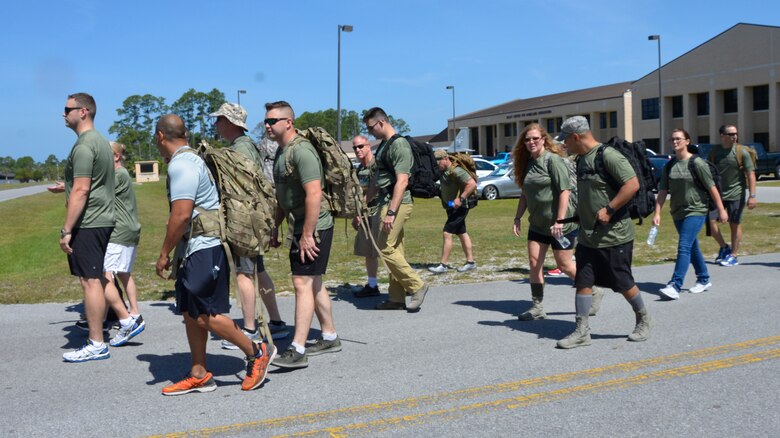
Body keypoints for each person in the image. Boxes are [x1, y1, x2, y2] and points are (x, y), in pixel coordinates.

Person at [154, 114, 273, 395]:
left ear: (160, 136)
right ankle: (199, 373)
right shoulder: (192, 158)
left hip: (204, 246)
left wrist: (163, 253)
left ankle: (256, 351)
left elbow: (181, 215)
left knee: (204, 314)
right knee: (189, 311)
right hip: (197, 247)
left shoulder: (181, 165)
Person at [554, 116, 652, 349]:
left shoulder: (608, 156)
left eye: (566, 139)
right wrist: (580, 213)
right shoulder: (580, 160)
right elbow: (589, 192)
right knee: (583, 280)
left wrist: (609, 209)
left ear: (576, 136)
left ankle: (644, 319)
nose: (564, 144)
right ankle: (581, 331)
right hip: (589, 234)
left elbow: (632, 185)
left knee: (623, 282)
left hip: (614, 234)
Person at [265, 101, 340, 369]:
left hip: (314, 225)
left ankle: (297, 348)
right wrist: (275, 225)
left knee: (302, 282)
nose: (267, 125)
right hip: (299, 224)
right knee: (313, 281)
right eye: (266, 121)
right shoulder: (281, 152)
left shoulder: (303, 152)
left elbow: (314, 194)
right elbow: (282, 196)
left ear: (288, 122)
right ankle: (329, 336)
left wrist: (308, 234)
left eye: (272, 121)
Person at [209, 103, 289, 348]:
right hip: (254, 219)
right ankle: (276, 323)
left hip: (245, 221)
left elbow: (241, 188)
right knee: (258, 272)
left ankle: (250, 330)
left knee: (245, 273)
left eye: (219, 119)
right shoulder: (244, 146)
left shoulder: (241, 148)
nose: (216, 124)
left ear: (231, 122)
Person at [511, 123, 597, 321]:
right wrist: (517, 217)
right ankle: (537, 306)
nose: (531, 142)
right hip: (538, 224)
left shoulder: (553, 161)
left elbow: (564, 191)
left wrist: (559, 220)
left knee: (565, 265)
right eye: (527, 139)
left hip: (561, 225)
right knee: (534, 263)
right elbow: (524, 194)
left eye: (535, 138)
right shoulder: (527, 164)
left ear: (543, 139)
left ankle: (592, 288)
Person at [53, 93, 116, 362]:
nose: (63, 113)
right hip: (101, 219)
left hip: (88, 223)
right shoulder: (100, 141)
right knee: (94, 279)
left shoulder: (83, 146)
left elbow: (81, 189)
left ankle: (96, 342)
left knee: (90, 282)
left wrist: (67, 229)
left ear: (84, 111)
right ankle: (100, 332)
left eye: (67, 109)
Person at [363, 107, 429, 311]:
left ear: (381, 122)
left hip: (397, 203)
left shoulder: (399, 145)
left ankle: (417, 285)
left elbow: (402, 182)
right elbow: (377, 180)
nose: (370, 132)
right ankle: (396, 297)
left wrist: (391, 212)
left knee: (385, 248)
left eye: (371, 127)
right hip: (385, 201)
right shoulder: (384, 145)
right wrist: (364, 201)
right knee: (396, 249)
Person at [653, 129, 728, 300]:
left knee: (684, 246)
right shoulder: (669, 166)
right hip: (677, 212)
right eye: (672, 139)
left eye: (678, 139)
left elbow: (711, 187)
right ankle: (703, 278)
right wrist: (657, 212)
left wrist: (721, 209)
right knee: (692, 246)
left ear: (687, 141)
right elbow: (663, 190)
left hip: (696, 210)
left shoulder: (697, 163)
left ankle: (675, 284)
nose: (675, 142)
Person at [100, 141, 146, 347]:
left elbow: (97, 194)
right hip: (129, 229)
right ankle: (134, 313)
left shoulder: (118, 175)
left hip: (120, 231)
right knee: (124, 273)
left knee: (105, 275)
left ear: (116, 157)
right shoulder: (121, 174)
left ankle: (123, 319)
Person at [708, 124, 757, 267]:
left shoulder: (742, 152)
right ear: (722, 136)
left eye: (735, 133)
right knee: (710, 221)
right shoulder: (715, 152)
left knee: (734, 224)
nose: (734, 136)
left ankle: (734, 255)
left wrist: (752, 195)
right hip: (718, 194)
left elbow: (750, 174)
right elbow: (708, 171)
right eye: (731, 134)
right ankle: (724, 247)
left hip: (736, 193)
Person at [428, 149, 477, 274]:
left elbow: (471, 184)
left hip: (461, 207)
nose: (436, 164)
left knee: (447, 233)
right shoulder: (443, 171)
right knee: (462, 233)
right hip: (451, 207)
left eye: (438, 162)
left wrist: (460, 198)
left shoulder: (456, 171)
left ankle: (443, 265)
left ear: (445, 159)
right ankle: (470, 262)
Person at [351, 135, 381, 297]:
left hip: (379, 211)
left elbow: (374, 189)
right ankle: (372, 285)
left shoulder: (376, 166)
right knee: (368, 251)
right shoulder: (359, 169)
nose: (357, 150)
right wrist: (357, 213)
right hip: (365, 213)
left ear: (369, 146)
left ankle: (402, 284)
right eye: (355, 147)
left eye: (361, 146)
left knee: (385, 250)